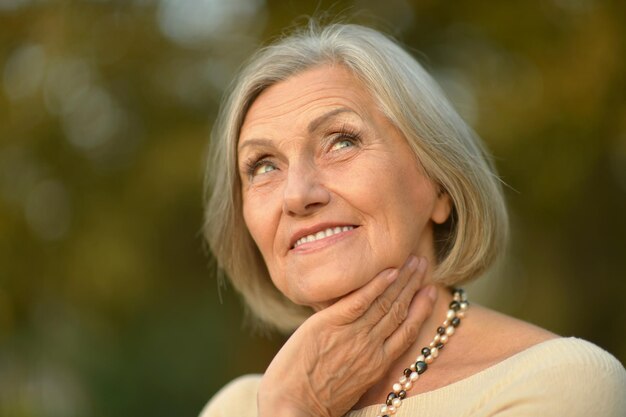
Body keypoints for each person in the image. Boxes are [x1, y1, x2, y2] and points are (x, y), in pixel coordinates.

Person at [200, 22, 626, 417]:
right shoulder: (238, 407)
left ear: (440, 184)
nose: (296, 195)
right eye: (263, 166)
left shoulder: (561, 381)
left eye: (341, 141)